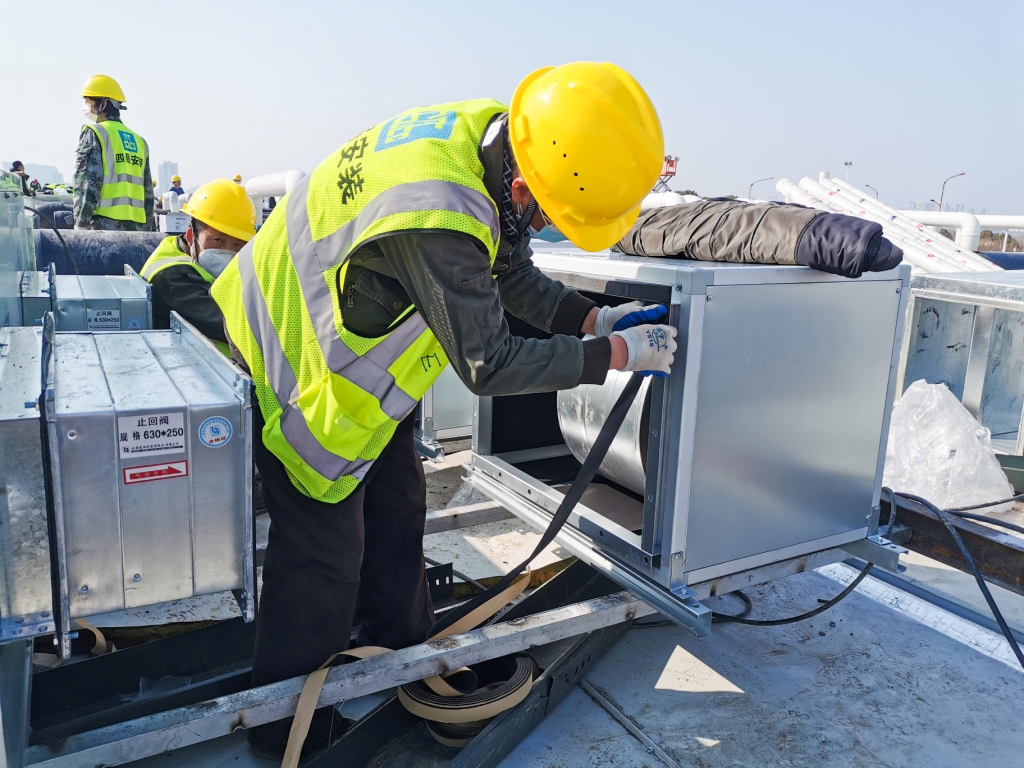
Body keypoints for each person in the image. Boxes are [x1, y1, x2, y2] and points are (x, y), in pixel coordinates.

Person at [211, 61, 676, 760]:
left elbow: (508, 269)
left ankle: (399, 650)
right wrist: (613, 355)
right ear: (524, 187)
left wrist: (590, 319)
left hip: (353, 353)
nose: (543, 225)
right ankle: (287, 730)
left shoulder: (497, 140)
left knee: (398, 503)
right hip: (296, 360)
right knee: (323, 551)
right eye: (547, 215)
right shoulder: (441, 209)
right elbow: (489, 363)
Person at [140, 179, 255, 353]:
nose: (227, 252)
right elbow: (239, 329)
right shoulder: (172, 279)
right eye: (218, 240)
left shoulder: (178, 249)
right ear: (190, 234)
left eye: (238, 245)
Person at [73, 74, 153, 230]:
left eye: (88, 100)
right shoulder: (139, 141)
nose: (85, 105)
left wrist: (80, 226)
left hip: (103, 228)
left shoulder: (95, 133)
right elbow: (148, 194)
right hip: (136, 231)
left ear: (103, 104)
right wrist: (146, 232)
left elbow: (88, 183)